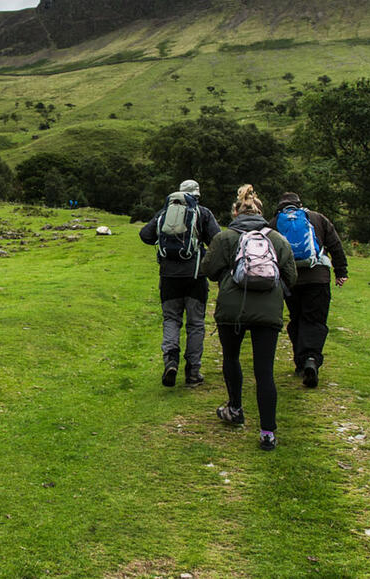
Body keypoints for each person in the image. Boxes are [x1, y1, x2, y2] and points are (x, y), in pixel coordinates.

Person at [202, 184, 297, 451]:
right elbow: (292, 277)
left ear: (236, 213)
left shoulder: (225, 237)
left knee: (231, 358)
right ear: (261, 213)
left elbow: (208, 270)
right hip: (268, 312)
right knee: (264, 370)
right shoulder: (278, 239)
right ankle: (267, 432)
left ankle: (235, 408)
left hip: (232, 310)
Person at [139, 179, 222, 388]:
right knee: (195, 324)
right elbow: (218, 240)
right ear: (197, 194)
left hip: (168, 277)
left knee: (171, 319)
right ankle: (193, 372)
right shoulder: (203, 213)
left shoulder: (164, 212)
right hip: (196, 276)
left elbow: (145, 235)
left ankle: (171, 361)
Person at [270, 192, 348, 389]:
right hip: (318, 278)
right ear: (300, 204)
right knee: (314, 319)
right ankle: (311, 359)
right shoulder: (317, 218)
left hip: (291, 280)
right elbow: (335, 245)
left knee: (296, 318)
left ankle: (300, 362)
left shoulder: (274, 223)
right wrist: (341, 271)